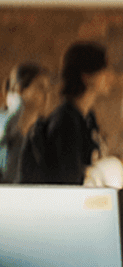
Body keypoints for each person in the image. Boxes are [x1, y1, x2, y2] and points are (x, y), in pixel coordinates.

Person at [20, 41, 112, 185]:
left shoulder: (87, 117)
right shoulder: (66, 121)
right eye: (103, 69)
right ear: (86, 76)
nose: (109, 75)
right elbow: (69, 180)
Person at [0, 62, 51, 183]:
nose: (46, 94)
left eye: (47, 89)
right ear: (20, 89)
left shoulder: (40, 133)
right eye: (40, 87)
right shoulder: (4, 125)